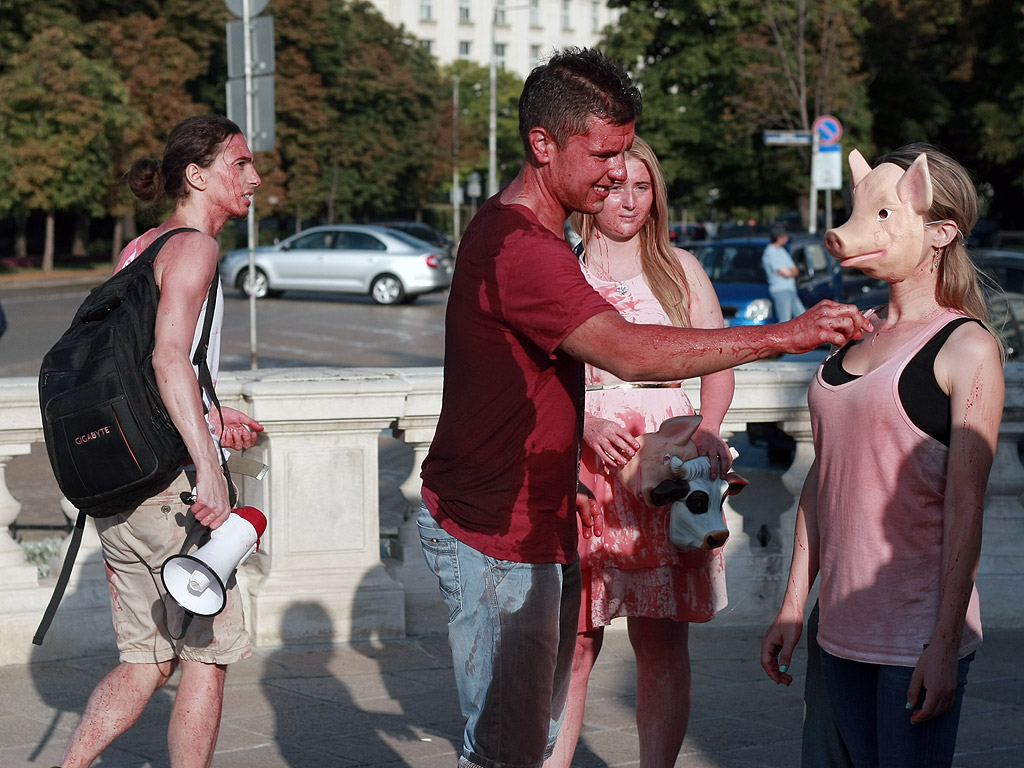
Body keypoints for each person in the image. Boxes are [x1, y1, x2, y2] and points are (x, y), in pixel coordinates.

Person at [417, 47, 870, 768]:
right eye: (603, 154)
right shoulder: (522, 248)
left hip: (525, 526)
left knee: (525, 736)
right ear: (542, 145)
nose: (616, 176)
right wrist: (788, 334)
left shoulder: (528, 233)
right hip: (496, 538)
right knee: (507, 749)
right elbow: (627, 351)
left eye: (630, 157)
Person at [760, 143, 1005, 767]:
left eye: (887, 215)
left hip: (912, 634)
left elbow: (966, 509)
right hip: (838, 626)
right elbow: (825, 479)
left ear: (940, 232)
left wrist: (944, 642)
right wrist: (794, 606)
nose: (851, 231)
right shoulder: (856, 334)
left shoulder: (966, 348)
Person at [57, 115, 264, 768]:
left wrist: (208, 407)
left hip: (117, 483)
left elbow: (133, 364)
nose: (254, 178)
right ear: (198, 176)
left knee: (146, 660)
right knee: (208, 655)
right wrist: (208, 467)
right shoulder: (195, 247)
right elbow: (167, 359)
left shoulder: (140, 247)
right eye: (241, 163)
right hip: (171, 490)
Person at [542, 136, 734, 768]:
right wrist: (585, 425)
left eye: (642, 186)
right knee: (572, 641)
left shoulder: (680, 269)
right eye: (615, 184)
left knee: (660, 643)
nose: (628, 199)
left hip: (667, 466)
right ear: (590, 189)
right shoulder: (561, 266)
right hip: (582, 467)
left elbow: (719, 361)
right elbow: (534, 377)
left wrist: (706, 431)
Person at [762, 223, 806, 322]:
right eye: (785, 235)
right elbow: (785, 272)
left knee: (802, 316)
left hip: (790, 289)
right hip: (780, 291)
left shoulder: (782, 251)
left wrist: (790, 272)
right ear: (779, 237)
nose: (787, 238)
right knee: (785, 320)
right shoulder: (770, 252)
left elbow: (794, 270)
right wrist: (790, 272)